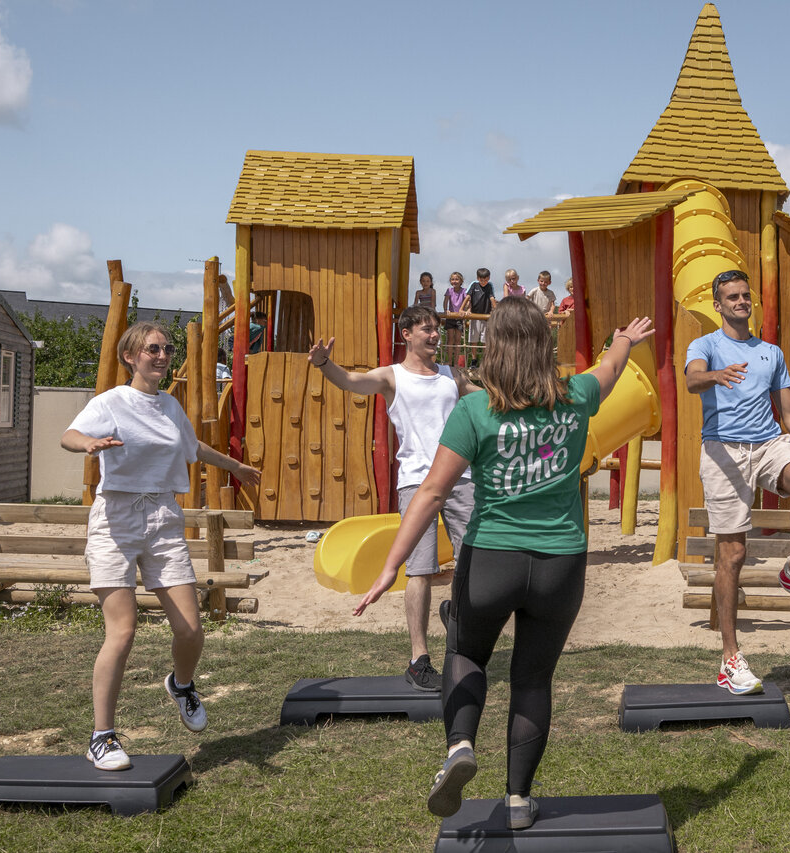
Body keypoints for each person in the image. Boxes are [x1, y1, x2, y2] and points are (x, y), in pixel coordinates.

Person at [353, 297, 654, 830]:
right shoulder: (576, 396)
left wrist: (389, 568)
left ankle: (461, 745)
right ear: (545, 344)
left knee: (467, 654)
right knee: (533, 679)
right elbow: (609, 370)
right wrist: (625, 338)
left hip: (492, 557)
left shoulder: (475, 410)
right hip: (561, 563)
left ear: (493, 346)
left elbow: (429, 493)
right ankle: (518, 800)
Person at [61, 321, 261, 770]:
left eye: (167, 348)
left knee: (191, 629)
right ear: (131, 356)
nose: (163, 355)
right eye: (153, 349)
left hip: (164, 518)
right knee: (123, 629)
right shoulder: (110, 402)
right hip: (116, 518)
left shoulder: (170, 405)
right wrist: (89, 444)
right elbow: (67, 436)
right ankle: (102, 736)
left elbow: (193, 448)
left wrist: (237, 468)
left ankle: (182, 685)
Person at [685, 270, 790, 695]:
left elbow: (789, 412)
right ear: (717, 305)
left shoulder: (770, 352)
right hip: (723, 450)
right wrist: (715, 377)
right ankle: (730, 659)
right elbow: (692, 378)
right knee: (732, 555)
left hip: (769, 442)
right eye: (732, 297)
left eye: (744, 295)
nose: (740, 302)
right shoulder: (706, 345)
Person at [309, 305, 479, 691]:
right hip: (417, 481)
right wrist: (324, 364)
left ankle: (455, 611)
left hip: (461, 477)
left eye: (437, 329)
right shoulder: (392, 377)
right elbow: (351, 381)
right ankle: (419, 660)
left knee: (476, 557)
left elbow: (488, 399)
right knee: (419, 569)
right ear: (406, 334)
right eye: (427, 330)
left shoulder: (453, 377)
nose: (435, 336)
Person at [466, 268, 496, 366]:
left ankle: (485, 360)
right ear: (478, 278)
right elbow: (468, 297)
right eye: (482, 280)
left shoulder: (490, 286)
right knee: (473, 340)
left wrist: (495, 310)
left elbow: (492, 298)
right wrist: (466, 309)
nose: (484, 282)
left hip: (485, 316)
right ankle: (474, 360)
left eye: (486, 280)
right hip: (474, 316)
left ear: (489, 278)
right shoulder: (474, 285)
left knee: (485, 340)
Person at [442, 272, 468, 367]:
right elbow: (445, 301)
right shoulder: (449, 290)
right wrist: (446, 310)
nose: (454, 281)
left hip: (459, 318)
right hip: (451, 317)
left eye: (457, 279)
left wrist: (466, 310)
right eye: (453, 279)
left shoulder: (464, 291)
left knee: (457, 340)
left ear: (461, 281)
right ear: (450, 281)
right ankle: (449, 361)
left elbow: (467, 301)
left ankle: (456, 362)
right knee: (450, 339)